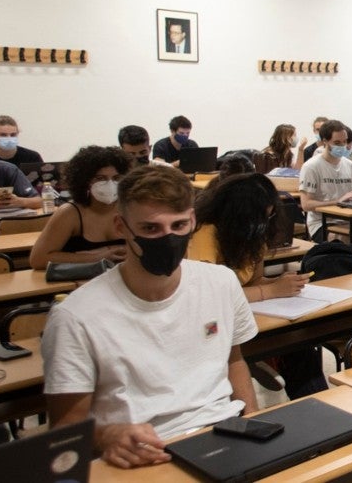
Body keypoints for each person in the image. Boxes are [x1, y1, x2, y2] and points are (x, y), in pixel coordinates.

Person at [42, 165, 258, 468]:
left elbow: (234, 361)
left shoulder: (220, 282)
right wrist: (108, 436)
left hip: (224, 434)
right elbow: (65, 431)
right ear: (121, 227)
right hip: (143, 453)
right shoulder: (75, 317)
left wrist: (254, 427)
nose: (167, 238)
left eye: (179, 225)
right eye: (150, 229)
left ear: (193, 220)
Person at [189, 173, 315, 397]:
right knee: (290, 348)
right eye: (260, 216)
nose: (265, 222)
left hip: (251, 317)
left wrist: (279, 283)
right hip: (211, 324)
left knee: (300, 343)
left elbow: (254, 281)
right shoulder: (205, 232)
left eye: (270, 214)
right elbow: (210, 293)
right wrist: (271, 291)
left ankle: (315, 406)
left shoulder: (253, 235)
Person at [30, 146, 132, 269]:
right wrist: (97, 257)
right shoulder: (69, 213)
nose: (110, 184)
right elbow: (38, 259)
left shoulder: (131, 209)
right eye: (100, 178)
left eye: (116, 178)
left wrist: (119, 249)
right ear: (84, 181)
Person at [298, 120, 352, 242]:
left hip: (349, 219)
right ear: (325, 141)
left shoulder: (350, 165)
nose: (342, 146)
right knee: (350, 241)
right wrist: (338, 201)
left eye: (345, 142)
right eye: (337, 143)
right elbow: (306, 205)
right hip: (322, 223)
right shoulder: (311, 166)